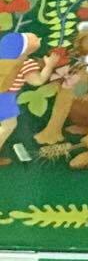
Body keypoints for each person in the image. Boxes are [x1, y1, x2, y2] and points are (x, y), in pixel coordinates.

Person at [0, 32, 59, 166]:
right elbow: (37, 81)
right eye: (35, 40)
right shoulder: (26, 64)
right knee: (8, 126)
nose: (39, 39)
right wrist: (49, 65)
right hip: (5, 98)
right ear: (27, 49)